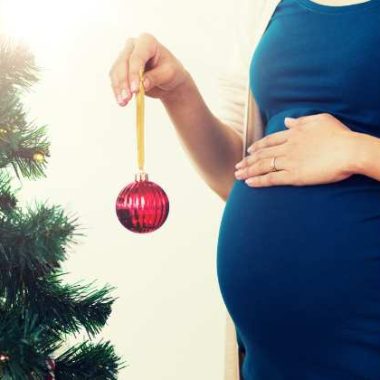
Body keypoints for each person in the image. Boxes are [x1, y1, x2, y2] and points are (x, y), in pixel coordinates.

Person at [109, 0, 380, 378]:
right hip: (271, 359)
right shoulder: (265, 7)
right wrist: (178, 89)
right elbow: (239, 172)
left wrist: (358, 152)